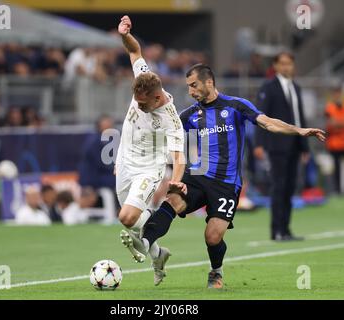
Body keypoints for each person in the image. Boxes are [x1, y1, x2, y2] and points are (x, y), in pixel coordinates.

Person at [133, 63, 325, 289]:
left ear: (209, 82)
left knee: (213, 236)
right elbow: (163, 131)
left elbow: (268, 123)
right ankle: (145, 242)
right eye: (188, 87)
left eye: (194, 85)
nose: (191, 91)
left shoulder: (235, 106)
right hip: (198, 175)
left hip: (226, 184)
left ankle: (216, 272)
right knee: (173, 200)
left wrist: (299, 131)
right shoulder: (189, 115)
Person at [115, 15, 186, 286]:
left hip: (149, 168)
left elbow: (179, 156)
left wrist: (176, 181)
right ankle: (158, 255)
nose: (138, 106)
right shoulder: (144, 78)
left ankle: (148, 247)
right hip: (124, 161)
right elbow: (135, 51)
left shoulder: (171, 119)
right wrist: (124, 35)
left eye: (143, 104)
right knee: (132, 225)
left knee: (128, 217)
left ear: (157, 97)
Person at [254, 52, 313, 242]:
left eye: (290, 63)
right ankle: (276, 230)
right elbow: (260, 116)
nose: (287, 67)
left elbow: (299, 118)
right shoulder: (268, 86)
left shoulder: (295, 87)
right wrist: (259, 143)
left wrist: (305, 146)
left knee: (290, 187)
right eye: (283, 63)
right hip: (277, 144)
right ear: (276, 66)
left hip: (295, 144)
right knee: (278, 187)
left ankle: (286, 229)